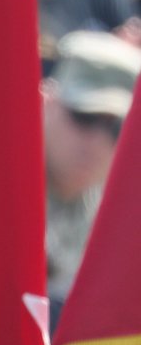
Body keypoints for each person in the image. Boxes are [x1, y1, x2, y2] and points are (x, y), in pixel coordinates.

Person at [43, 29, 141, 296]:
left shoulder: (121, 217)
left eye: (116, 128)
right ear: (47, 102)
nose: (97, 143)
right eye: (85, 117)